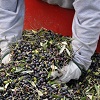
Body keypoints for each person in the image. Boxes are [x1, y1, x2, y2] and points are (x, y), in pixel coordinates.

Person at [0, 0, 100, 83]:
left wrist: (79, 60)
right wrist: (8, 48)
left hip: (87, 16)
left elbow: (90, 13)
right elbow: (7, 5)